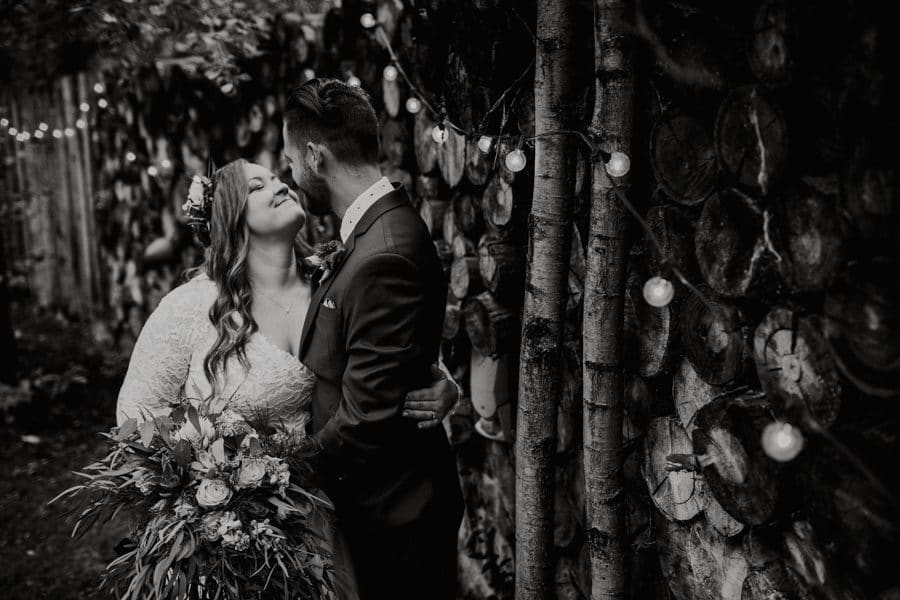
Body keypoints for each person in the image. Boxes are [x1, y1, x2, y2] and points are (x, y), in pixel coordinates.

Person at [115, 158, 461, 600]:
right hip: (226, 534)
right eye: (257, 186)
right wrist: (199, 496)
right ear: (229, 215)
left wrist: (442, 382)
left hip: (320, 518)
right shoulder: (189, 308)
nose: (279, 185)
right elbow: (133, 420)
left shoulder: (332, 281)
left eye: (278, 177)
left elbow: (394, 341)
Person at [283, 78, 464, 600]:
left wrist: (278, 475)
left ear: (316, 156)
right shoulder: (370, 236)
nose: (292, 175)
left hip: (396, 516)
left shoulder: (382, 251)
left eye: (292, 161)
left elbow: (367, 417)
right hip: (378, 506)